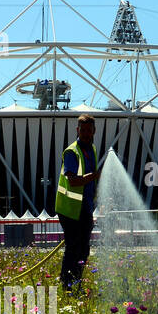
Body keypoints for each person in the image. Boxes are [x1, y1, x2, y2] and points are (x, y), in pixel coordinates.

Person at [55, 114, 100, 291]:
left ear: (94, 131)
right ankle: (66, 284)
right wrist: (93, 177)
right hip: (69, 209)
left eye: (89, 130)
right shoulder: (72, 152)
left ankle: (76, 281)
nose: (87, 134)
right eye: (83, 131)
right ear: (77, 131)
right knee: (73, 247)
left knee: (84, 249)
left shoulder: (92, 149)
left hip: (84, 207)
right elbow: (73, 180)